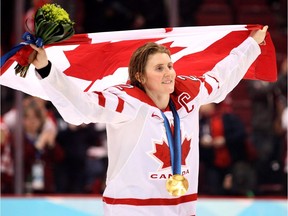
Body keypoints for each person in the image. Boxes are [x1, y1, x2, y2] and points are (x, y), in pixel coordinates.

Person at [29, 26, 268, 215]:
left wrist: (251, 43)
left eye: (170, 66)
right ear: (140, 76)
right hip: (132, 209)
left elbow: (221, 77)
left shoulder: (189, 94)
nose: (169, 73)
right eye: (159, 68)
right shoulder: (126, 101)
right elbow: (82, 106)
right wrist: (46, 69)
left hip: (181, 209)